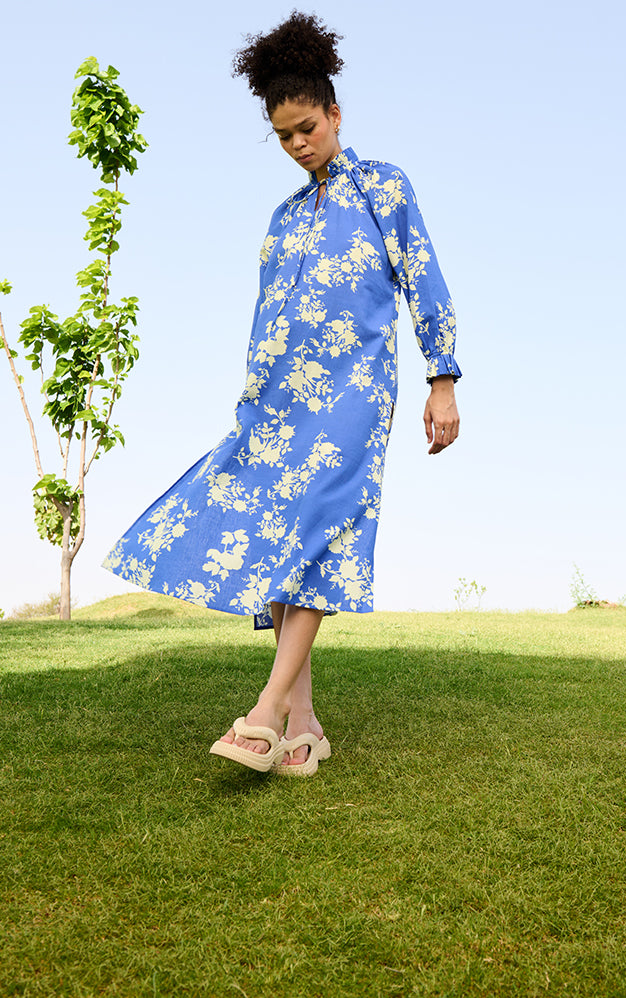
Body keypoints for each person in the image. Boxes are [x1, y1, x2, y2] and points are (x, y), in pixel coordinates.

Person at [103, 11, 461, 776]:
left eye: (307, 127)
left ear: (335, 113)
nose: (299, 144)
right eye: (284, 136)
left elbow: (423, 281)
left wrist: (443, 380)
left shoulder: (382, 185)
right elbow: (268, 315)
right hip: (273, 400)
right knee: (272, 533)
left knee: (323, 529)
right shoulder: (283, 216)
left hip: (355, 394)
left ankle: (264, 714)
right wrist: (251, 393)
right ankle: (303, 723)